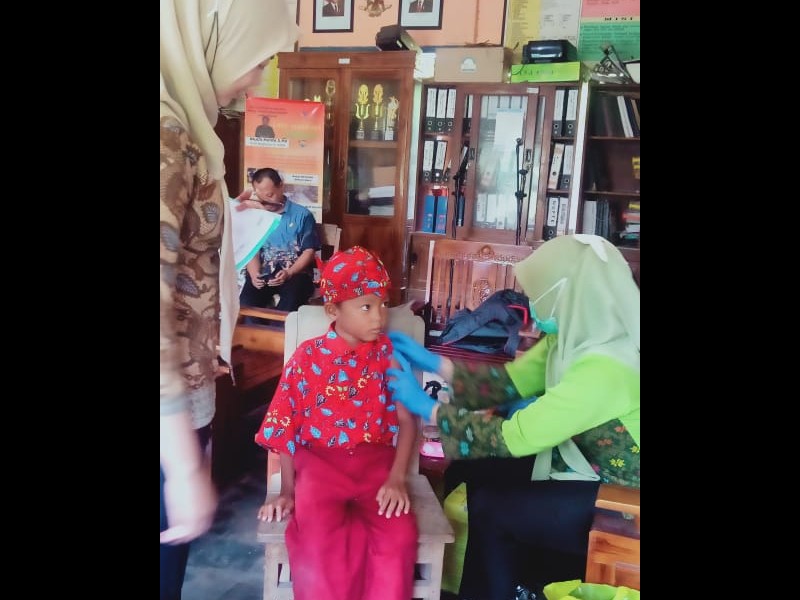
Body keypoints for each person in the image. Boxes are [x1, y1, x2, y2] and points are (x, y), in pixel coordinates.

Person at [386, 234, 640, 600]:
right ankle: (498, 584)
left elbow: (515, 436)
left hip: (623, 502)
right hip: (584, 466)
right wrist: (434, 362)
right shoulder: (573, 338)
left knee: (494, 508)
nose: (532, 306)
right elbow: (507, 384)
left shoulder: (606, 368)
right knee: (472, 469)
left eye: (539, 295)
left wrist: (430, 408)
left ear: (567, 294)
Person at [160, 1, 298, 598]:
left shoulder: (186, 130)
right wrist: (181, 465)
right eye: (257, 59)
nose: (258, 81)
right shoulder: (167, 137)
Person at [254, 246, 418, 600]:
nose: (379, 316)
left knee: (399, 538)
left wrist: (397, 478)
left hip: (376, 469)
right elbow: (285, 427)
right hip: (319, 468)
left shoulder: (389, 355)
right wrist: (287, 491)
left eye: (383, 304)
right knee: (317, 545)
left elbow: (408, 421)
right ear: (333, 310)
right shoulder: (307, 357)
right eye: (366, 307)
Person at [237, 167, 320, 314]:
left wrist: (289, 272)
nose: (265, 201)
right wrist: (254, 274)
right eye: (260, 196)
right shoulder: (256, 215)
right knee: (246, 304)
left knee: (289, 304)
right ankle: (255, 329)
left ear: (281, 186)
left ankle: (278, 329)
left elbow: (309, 251)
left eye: (270, 195)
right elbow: (253, 249)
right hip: (264, 274)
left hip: (296, 275)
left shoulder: (302, 215)